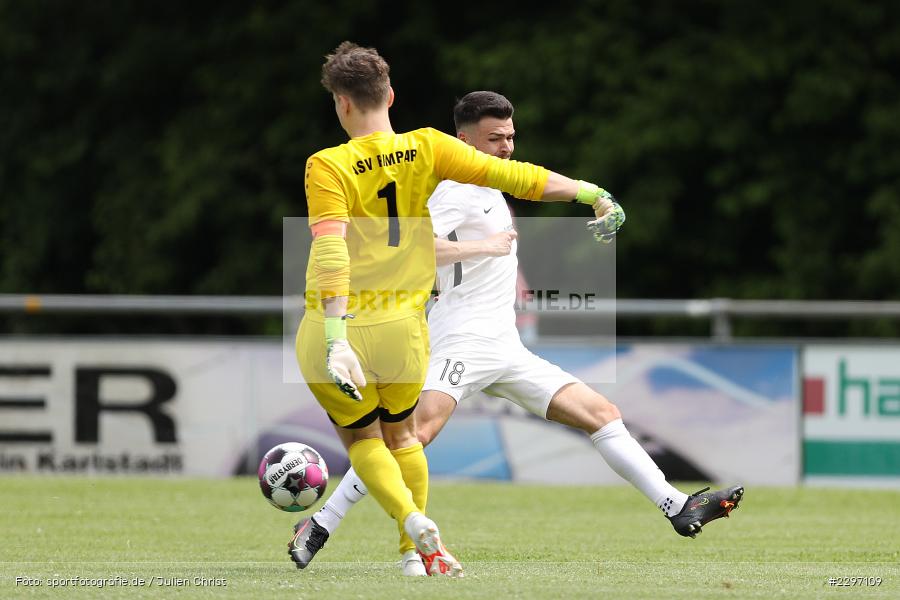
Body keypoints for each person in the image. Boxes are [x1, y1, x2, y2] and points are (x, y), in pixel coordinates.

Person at [292, 90, 743, 576]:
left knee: (601, 413)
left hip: (504, 345)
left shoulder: (489, 187)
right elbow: (409, 243)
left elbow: (531, 181)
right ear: (464, 140)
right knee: (411, 437)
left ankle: (676, 506)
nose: (506, 146)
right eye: (494, 138)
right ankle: (322, 522)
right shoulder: (453, 190)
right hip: (459, 339)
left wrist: (592, 196)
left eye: (510, 136)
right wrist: (483, 247)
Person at [293, 44, 625, 579]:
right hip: (404, 328)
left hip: (346, 323)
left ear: (341, 104)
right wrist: (593, 192)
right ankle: (414, 555)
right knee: (403, 438)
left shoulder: (326, 165)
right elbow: (523, 179)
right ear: (391, 96)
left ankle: (410, 517)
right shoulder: (427, 147)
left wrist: (335, 338)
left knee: (364, 442)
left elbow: (331, 251)